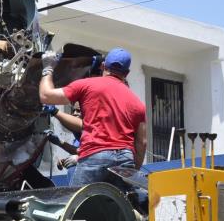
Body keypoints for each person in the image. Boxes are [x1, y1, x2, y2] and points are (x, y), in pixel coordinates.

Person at [39, 47, 147, 186]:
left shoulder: (87, 85)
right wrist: (133, 172)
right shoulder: (137, 103)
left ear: (103, 66)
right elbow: (142, 142)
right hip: (125, 159)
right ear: (126, 73)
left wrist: (48, 68)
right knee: (117, 204)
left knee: (79, 205)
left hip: (96, 155)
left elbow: (46, 95)